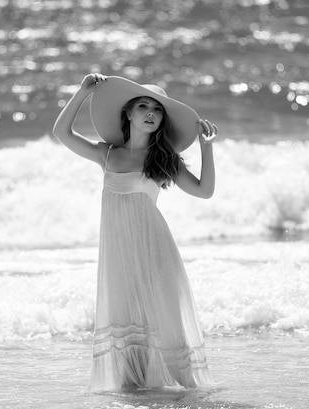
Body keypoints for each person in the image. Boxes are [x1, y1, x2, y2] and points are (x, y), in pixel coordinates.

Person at [52, 73, 217, 391]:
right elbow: (61, 132)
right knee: (126, 319)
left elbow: (204, 191)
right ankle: (132, 391)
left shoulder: (164, 159)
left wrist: (207, 149)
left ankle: (181, 390)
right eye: (143, 106)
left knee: (162, 321)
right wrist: (83, 92)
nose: (151, 112)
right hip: (119, 255)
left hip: (155, 250)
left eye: (157, 109)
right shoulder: (108, 154)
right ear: (128, 113)